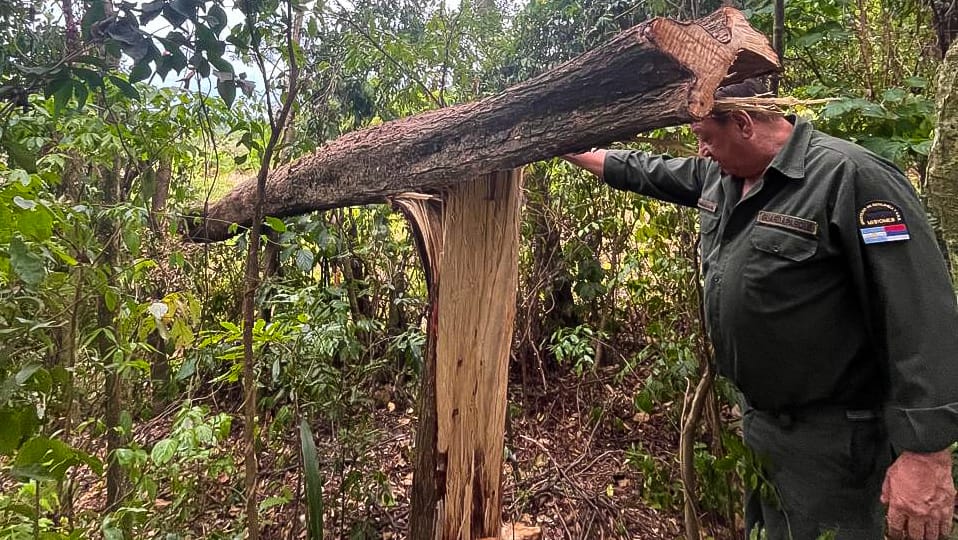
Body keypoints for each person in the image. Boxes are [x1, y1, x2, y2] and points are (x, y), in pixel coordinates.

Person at [563, 78, 958, 540]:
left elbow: (918, 309)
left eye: (706, 139)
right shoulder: (724, 177)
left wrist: (926, 453)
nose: (702, 152)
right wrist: (569, 147)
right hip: (763, 429)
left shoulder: (850, 177)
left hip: (837, 443)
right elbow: (650, 171)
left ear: (743, 123)